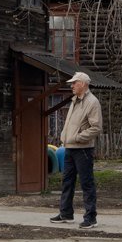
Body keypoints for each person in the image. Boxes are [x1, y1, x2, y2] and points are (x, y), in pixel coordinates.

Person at [50, 71, 102, 229]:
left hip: (83, 149)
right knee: (67, 181)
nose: (71, 85)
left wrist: (78, 137)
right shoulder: (75, 100)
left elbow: (96, 127)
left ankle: (91, 217)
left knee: (87, 183)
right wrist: (65, 137)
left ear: (83, 85)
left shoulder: (92, 102)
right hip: (69, 148)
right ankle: (66, 213)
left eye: (74, 83)